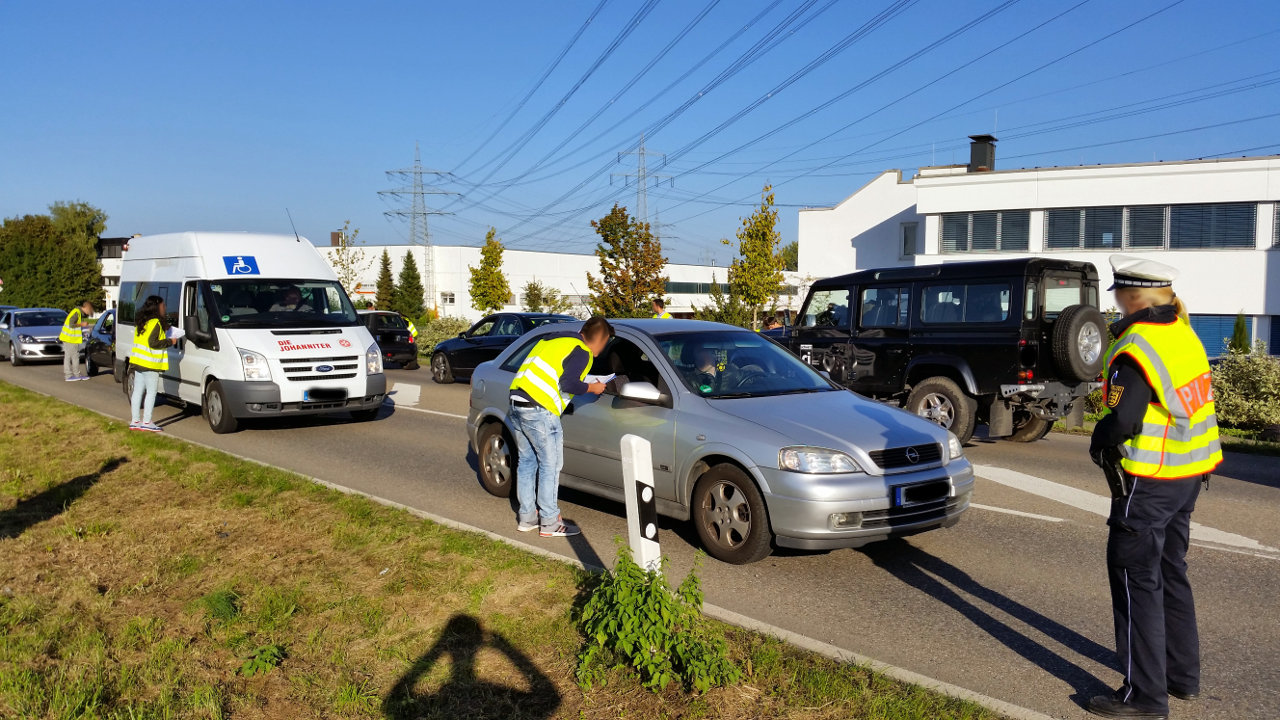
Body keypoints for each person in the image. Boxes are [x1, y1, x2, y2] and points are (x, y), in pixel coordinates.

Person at [1086, 254, 1222, 720]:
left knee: (1135, 583)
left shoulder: (1138, 344)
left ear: (1130, 296)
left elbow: (1123, 419)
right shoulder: (1183, 332)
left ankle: (1145, 698)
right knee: (1171, 574)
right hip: (1188, 476)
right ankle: (1181, 678)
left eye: (1118, 296)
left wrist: (1100, 439)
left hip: (1148, 482)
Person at [508, 316, 613, 537]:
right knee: (550, 464)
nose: (603, 349)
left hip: (517, 402)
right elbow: (569, 384)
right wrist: (592, 388)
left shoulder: (553, 341)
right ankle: (549, 522)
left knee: (527, 462)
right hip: (540, 408)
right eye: (605, 343)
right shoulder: (582, 351)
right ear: (600, 340)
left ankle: (527, 518)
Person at [130, 295, 180, 432]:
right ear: (157, 307)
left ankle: (135, 421)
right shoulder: (156, 323)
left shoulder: (142, 322)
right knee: (151, 392)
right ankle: (147, 422)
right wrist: (171, 342)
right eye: (163, 306)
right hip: (150, 363)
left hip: (138, 362)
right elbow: (153, 343)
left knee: (138, 391)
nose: (165, 308)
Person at [59, 300, 95, 381]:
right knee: (74, 357)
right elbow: (71, 324)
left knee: (69, 356)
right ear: (86, 307)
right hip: (70, 339)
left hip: (68, 338)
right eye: (90, 310)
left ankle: (71, 375)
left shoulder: (77, 312)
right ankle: (74, 375)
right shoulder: (76, 312)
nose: (89, 313)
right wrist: (82, 324)